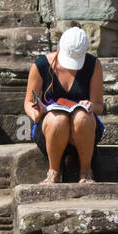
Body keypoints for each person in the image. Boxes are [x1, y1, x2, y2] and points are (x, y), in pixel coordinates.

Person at [23, 26, 104, 184]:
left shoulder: (93, 65)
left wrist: (91, 106)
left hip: (83, 130)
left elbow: (100, 106)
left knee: (82, 117)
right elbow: (28, 101)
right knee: (58, 119)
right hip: (51, 130)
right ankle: (53, 171)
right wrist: (36, 113)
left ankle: (86, 171)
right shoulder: (41, 66)